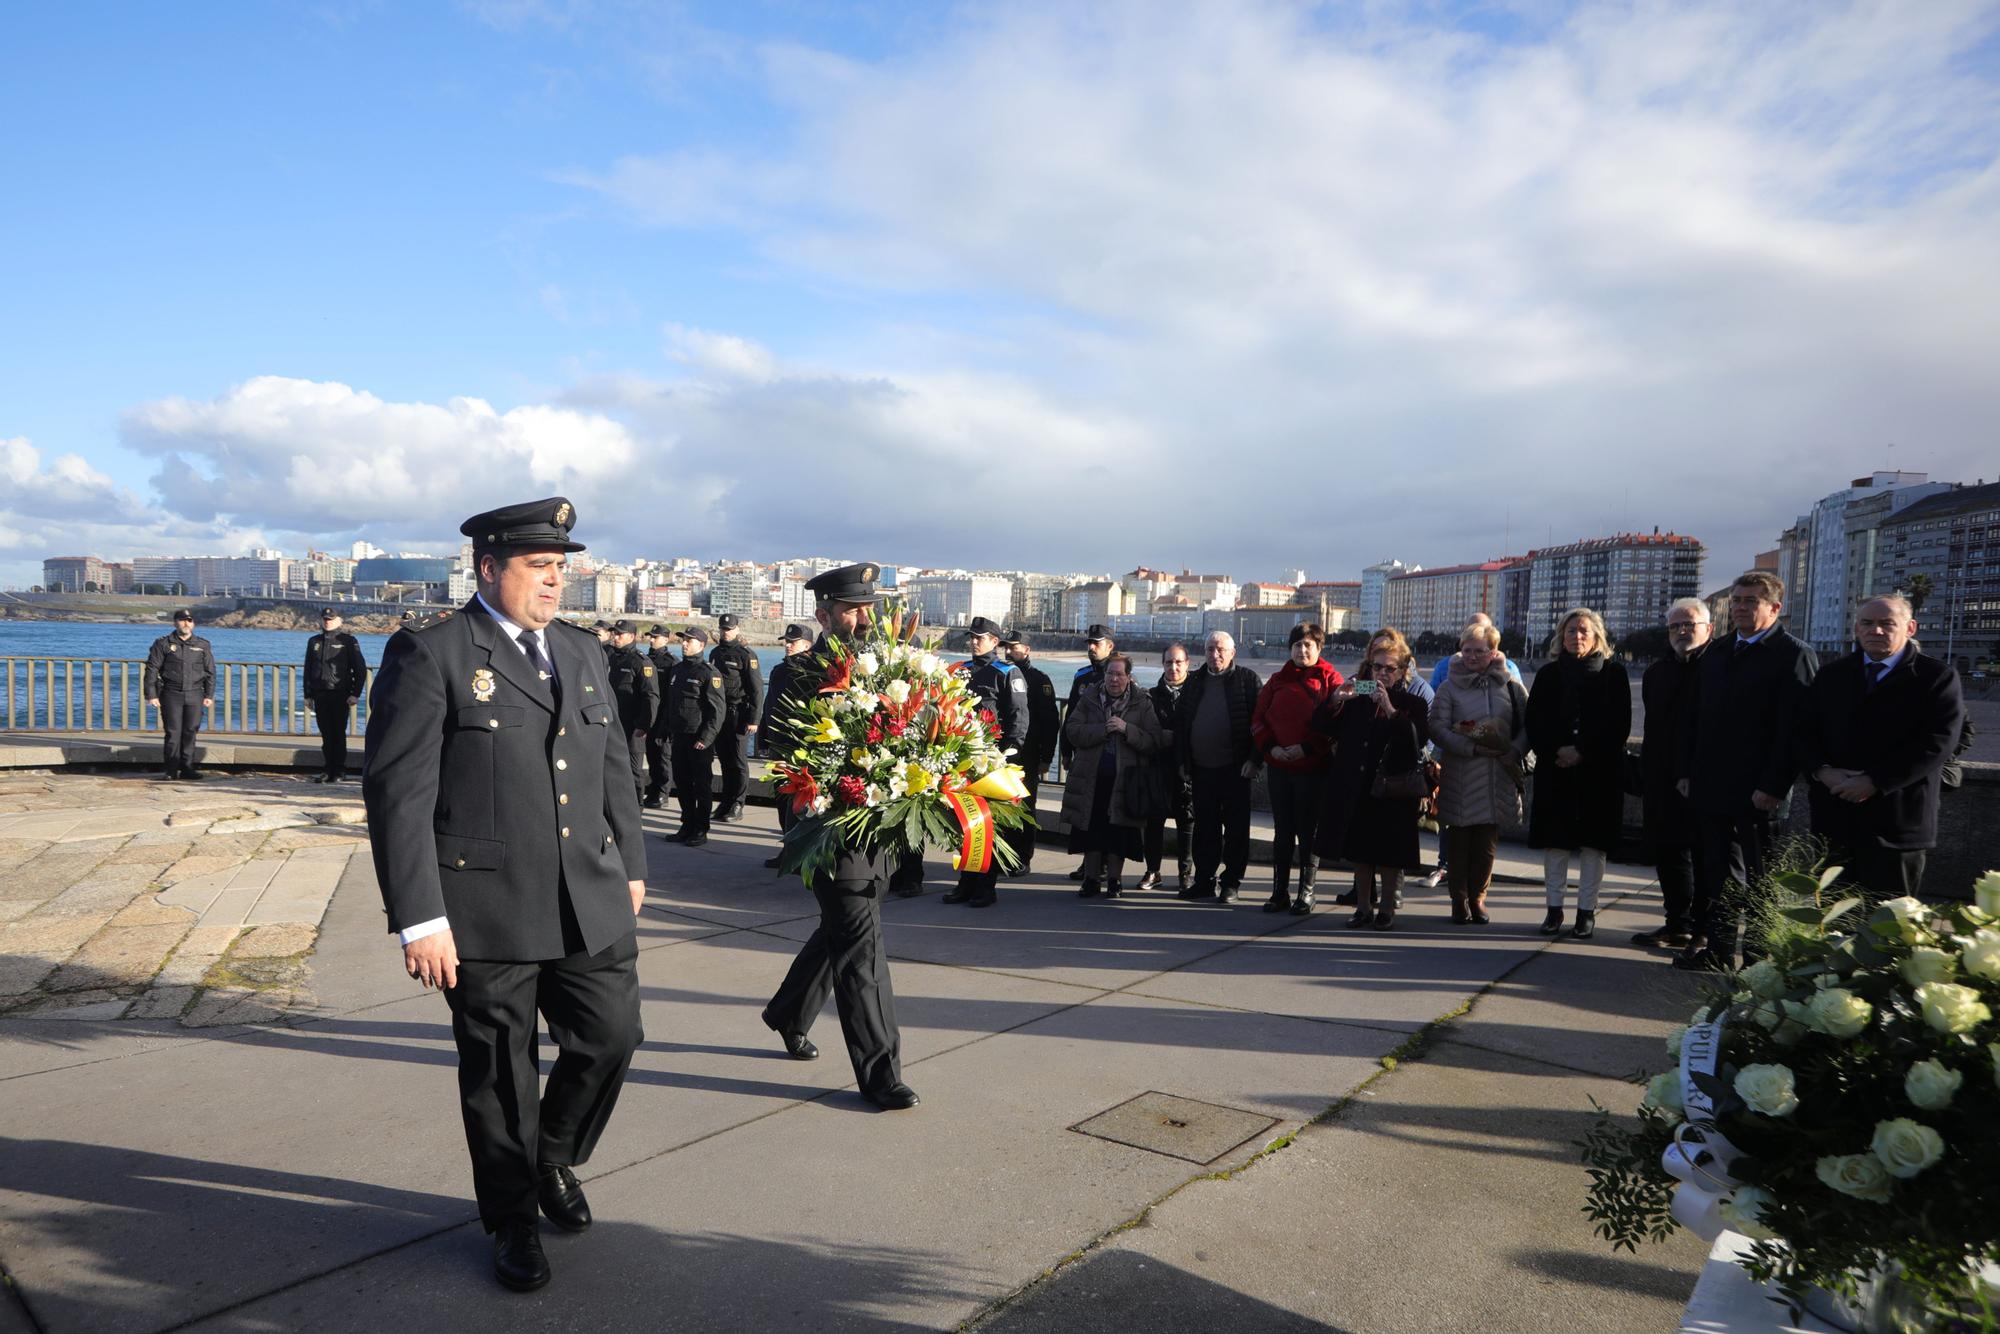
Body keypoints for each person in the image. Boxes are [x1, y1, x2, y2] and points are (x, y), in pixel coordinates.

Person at [362, 496, 646, 1294]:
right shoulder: (436, 654)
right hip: (480, 906)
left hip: (586, 893)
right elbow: (398, 795)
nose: (555, 584)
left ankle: (552, 1157)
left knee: (612, 1036)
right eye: (538, 568)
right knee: (499, 1072)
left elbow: (612, 764)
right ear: (488, 568)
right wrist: (420, 919)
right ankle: (514, 1217)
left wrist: (631, 861)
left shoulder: (583, 653)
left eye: (562, 569)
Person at [761, 563, 921, 1111]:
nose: (863, 618)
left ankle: (788, 1012)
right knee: (862, 947)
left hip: (878, 827)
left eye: (867, 607)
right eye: (852, 609)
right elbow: (782, 756)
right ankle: (881, 1073)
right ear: (824, 614)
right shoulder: (798, 675)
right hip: (827, 829)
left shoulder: (886, 666)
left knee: (845, 929)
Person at [1676, 571, 1818, 971]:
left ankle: (1758, 963)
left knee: (1762, 883)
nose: (1739, 607)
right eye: (1736, 600)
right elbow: (1694, 718)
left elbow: (1796, 731)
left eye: (1750, 601)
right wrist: (1687, 771)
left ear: (1775, 608)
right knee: (1718, 876)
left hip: (1760, 794)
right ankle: (1719, 953)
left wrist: (1773, 785)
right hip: (1711, 787)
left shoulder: (1794, 654)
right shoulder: (1718, 652)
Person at [1799, 596, 1965, 899]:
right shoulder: (1831, 674)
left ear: (1910, 627)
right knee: (1832, 927)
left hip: (1897, 824)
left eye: (1887, 623)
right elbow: (1804, 731)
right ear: (1856, 629)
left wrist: (1875, 781)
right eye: (1867, 623)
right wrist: (1822, 771)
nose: (1876, 630)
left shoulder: (1936, 677)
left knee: (1889, 927)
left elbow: (1939, 742)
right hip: (1835, 818)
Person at [1525, 608, 1631, 940]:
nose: (1577, 636)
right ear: (1561, 636)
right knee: (1555, 845)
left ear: (1597, 635)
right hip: (1555, 771)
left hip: (1598, 774)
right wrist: (1557, 749)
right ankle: (1554, 909)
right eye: (1571, 631)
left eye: (1584, 631)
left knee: (1592, 846)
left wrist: (1581, 750)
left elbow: (1619, 725)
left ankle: (1586, 912)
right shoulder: (1548, 675)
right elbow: (1535, 721)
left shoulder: (1614, 675)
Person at [1313, 628, 1429, 930]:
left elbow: (1416, 739)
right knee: (1361, 853)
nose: (1382, 673)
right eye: (1377, 667)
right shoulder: (1359, 694)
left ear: (1402, 671)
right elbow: (1323, 726)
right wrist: (1336, 700)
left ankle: (1387, 909)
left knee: (1390, 855)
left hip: (1393, 788)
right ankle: (1363, 907)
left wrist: (1390, 708)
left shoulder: (1411, 702)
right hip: (1359, 785)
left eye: (1390, 668)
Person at [1426, 622, 1528, 925]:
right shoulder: (1448, 686)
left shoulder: (1511, 685)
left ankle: (1478, 898)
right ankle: (1459, 900)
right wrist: (1470, 748)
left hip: (1498, 774)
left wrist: (1515, 750)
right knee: (1458, 844)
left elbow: (1529, 724)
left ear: (1493, 651)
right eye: (1466, 650)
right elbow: (1437, 728)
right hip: (1461, 774)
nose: (1471, 656)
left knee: (1487, 844)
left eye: (1478, 651)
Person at [1632, 598, 1712, 948]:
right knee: (1668, 853)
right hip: (1660, 777)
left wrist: (1691, 770)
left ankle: (1705, 929)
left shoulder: (1718, 667)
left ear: (1708, 628)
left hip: (1704, 777)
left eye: (1689, 624)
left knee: (1706, 856)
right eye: (1675, 626)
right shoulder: (1656, 672)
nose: (1681, 631)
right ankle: (1676, 923)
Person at [1251, 624, 1343, 915]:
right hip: (1279, 766)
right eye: (1297, 645)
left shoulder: (1331, 679)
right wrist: (1271, 749)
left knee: (1308, 832)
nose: (1302, 651)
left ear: (1319, 648)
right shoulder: (1278, 679)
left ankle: (1307, 892)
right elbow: (1258, 719)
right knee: (1283, 832)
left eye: (1308, 646)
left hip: (1313, 768)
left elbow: (1337, 723)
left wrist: (1306, 748)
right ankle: (1279, 892)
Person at [940, 618, 1030, 908]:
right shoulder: (963, 671)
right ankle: (965, 884)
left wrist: (1010, 754)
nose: (974, 642)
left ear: (995, 641)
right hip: (963, 756)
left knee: (987, 826)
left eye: (980, 637)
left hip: (992, 760)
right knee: (963, 824)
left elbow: (1018, 716)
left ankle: (985, 887)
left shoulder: (1007, 672)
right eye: (972, 637)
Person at [1060, 654, 1164, 898]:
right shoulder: (1089, 698)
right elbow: (1072, 730)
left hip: (1126, 780)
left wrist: (1127, 730)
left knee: (1120, 833)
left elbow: (1154, 739)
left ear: (1128, 677)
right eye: (1110, 674)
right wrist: (1101, 730)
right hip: (1092, 778)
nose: (1114, 679)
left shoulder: (1142, 702)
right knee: (1092, 830)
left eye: (1119, 674)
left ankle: (1115, 881)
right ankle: (1090, 880)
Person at [1175, 631, 1263, 902]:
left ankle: (1231, 883)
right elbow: (1182, 725)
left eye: (1221, 649)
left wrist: (1254, 760)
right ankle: (1204, 880)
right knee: (1205, 829)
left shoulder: (1248, 680)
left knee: (1237, 830)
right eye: (1210, 649)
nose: (1215, 654)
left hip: (1236, 770)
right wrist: (1183, 761)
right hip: (1202, 770)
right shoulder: (1194, 681)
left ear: (1232, 652)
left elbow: (1261, 725)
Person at [756, 623, 817, 869]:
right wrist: (762, 736)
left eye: (793, 641)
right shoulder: (780, 671)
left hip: (801, 746)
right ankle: (788, 850)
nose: (788, 645)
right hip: (779, 745)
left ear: (807, 645)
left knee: (803, 803)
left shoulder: (813, 670)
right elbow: (770, 705)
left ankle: (803, 854)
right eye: (787, 641)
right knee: (782, 800)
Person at [1002, 629, 1058, 876]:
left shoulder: (1038, 680)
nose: (1008, 651)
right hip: (1003, 755)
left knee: (1025, 808)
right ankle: (1004, 855)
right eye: (1006, 646)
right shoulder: (1001, 674)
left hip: (1028, 755)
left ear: (1026, 649)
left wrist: (1047, 757)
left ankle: (1023, 857)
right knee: (1003, 807)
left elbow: (1049, 722)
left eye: (1014, 647)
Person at [1142, 643, 1196, 892]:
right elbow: (1148, 732)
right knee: (1154, 821)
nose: (1173, 667)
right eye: (1168, 662)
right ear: (1162, 664)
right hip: (1158, 767)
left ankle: (1186, 873)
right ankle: (1153, 871)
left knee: (1187, 821)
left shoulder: (1197, 692)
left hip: (1188, 767)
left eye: (1178, 662)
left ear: (1187, 663)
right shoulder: (1151, 696)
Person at [666, 628, 726, 847]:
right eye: (683, 640)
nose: (684, 644)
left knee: (701, 785)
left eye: (689, 641)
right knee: (682, 783)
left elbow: (717, 710)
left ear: (701, 645)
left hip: (698, 739)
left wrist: (706, 738)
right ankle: (686, 824)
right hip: (679, 736)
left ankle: (701, 829)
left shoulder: (709, 673)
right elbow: (670, 704)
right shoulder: (677, 670)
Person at [144, 610, 215, 781]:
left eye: (189, 620)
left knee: (191, 731)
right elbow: (152, 669)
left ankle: (187, 768)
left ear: (193, 623)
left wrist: (209, 694)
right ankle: (171, 770)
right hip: (171, 693)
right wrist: (151, 694)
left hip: (195, 694)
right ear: (175, 623)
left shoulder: (202, 644)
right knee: (173, 733)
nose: (186, 623)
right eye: (182, 620)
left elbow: (210, 671)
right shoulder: (163, 644)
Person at [302, 607, 368, 783]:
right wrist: (307, 694)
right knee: (326, 734)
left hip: (340, 694)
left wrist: (355, 693)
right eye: (325, 619)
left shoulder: (348, 641)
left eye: (331, 619)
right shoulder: (313, 641)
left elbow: (360, 669)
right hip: (320, 694)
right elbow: (308, 669)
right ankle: (327, 769)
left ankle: (339, 770)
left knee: (338, 733)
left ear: (339, 621)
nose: (327, 622)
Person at [708, 613, 764, 822]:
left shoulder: (746, 655)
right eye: (723, 629)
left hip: (739, 713)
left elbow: (757, 689)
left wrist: (754, 719)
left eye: (729, 629)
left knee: (738, 761)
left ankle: (738, 804)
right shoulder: (715, 653)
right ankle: (726, 801)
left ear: (737, 630)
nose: (726, 632)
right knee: (724, 760)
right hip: (719, 714)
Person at [605, 620, 657, 805]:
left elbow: (650, 696)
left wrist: (643, 725)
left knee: (633, 770)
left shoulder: (641, 662)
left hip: (632, 726)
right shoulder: (610, 657)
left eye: (620, 634)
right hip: (611, 723)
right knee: (610, 767)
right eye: (614, 633)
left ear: (632, 636)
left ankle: (636, 807)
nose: (615, 637)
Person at [642, 627, 677, 808]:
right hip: (649, 713)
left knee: (663, 755)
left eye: (656, 637)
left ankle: (663, 792)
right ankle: (654, 790)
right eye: (651, 637)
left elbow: (673, 693)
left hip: (663, 713)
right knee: (651, 755)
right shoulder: (645, 660)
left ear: (665, 640)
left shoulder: (671, 663)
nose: (652, 640)